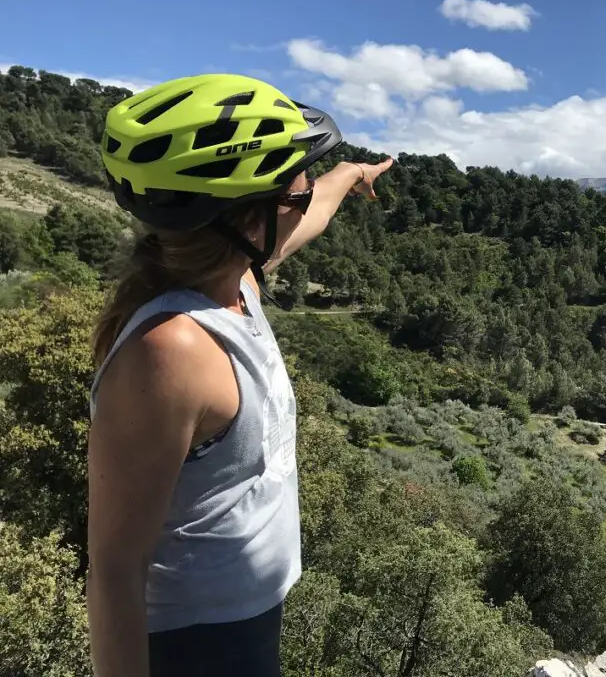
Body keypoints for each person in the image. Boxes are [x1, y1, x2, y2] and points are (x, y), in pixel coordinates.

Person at [85, 73, 393, 677]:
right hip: (196, 645)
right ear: (246, 218)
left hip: (244, 619)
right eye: (293, 194)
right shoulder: (172, 349)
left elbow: (314, 214)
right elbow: (115, 569)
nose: (304, 202)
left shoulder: (235, 282)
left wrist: (350, 175)